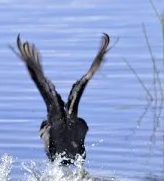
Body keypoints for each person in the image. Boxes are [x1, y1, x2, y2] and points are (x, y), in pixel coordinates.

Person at [15, 34, 111, 163]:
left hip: (59, 138)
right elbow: (85, 78)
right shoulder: (63, 118)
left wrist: (30, 63)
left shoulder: (56, 118)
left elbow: (40, 80)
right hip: (69, 138)